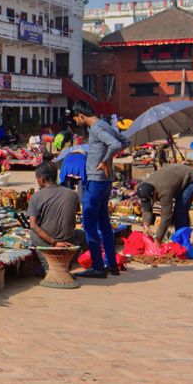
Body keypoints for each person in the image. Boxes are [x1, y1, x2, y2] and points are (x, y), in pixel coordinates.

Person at [69, 102, 130, 279]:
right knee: (104, 223)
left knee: (89, 224)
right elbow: (125, 141)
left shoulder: (95, 128)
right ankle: (111, 264)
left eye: (75, 117)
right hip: (105, 182)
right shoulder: (105, 124)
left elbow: (115, 144)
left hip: (96, 182)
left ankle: (98, 267)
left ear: (81, 115)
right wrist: (108, 159)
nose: (75, 120)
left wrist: (104, 161)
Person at [135, 163, 193, 243]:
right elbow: (146, 209)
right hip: (175, 176)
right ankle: (182, 239)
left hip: (192, 178)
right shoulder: (144, 188)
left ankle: (182, 242)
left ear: (154, 193)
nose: (152, 202)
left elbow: (166, 216)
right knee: (180, 210)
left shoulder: (164, 191)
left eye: (152, 200)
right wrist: (146, 225)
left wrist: (158, 239)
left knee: (180, 212)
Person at [26, 162, 84, 247]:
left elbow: (33, 225)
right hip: (68, 240)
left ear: (42, 179)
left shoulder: (35, 196)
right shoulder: (72, 194)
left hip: (48, 242)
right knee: (81, 234)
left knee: (32, 233)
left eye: (37, 178)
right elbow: (76, 211)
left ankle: (45, 257)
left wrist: (55, 242)